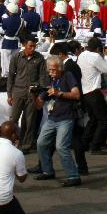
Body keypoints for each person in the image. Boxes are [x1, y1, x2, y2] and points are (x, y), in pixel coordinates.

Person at [35, 56, 82, 186]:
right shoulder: (52, 79)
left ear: (60, 68)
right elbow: (41, 101)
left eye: (53, 70)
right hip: (52, 116)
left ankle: (73, 176)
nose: (51, 73)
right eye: (49, 70)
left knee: (61, 146)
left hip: (66, 117)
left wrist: (60, 93)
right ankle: (47, 171)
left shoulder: (68, 76)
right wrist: (37, 95)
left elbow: (76, 94)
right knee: (41, 143)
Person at [7, 38, 47, 152]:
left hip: (32, 93)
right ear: (24, 45)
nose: (32, 48)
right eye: (30, 46)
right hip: (18, 91)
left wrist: (40, 92)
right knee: (13, 119)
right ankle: (10, 142)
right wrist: (9, 94)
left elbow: (42, 77)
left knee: (30, 121)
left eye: (34, 46)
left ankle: (25, 145)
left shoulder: (39, 58)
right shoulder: (16, 57)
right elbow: (10, 76)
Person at [77, 37, 107, 155]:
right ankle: (95, 146)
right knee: (104, 120)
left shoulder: (82, 55)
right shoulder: (96, 56)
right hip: (94, 92)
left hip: (84, 91)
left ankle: (84, 142)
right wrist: (106, 55)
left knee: (93, 119)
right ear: (98, 48)